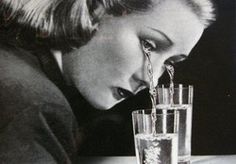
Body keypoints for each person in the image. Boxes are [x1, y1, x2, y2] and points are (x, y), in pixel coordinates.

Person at [0, 0, 215, 163]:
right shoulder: (37, 105)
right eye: (148, 45)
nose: (151, 81)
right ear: (96, 11)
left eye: (170, 63)